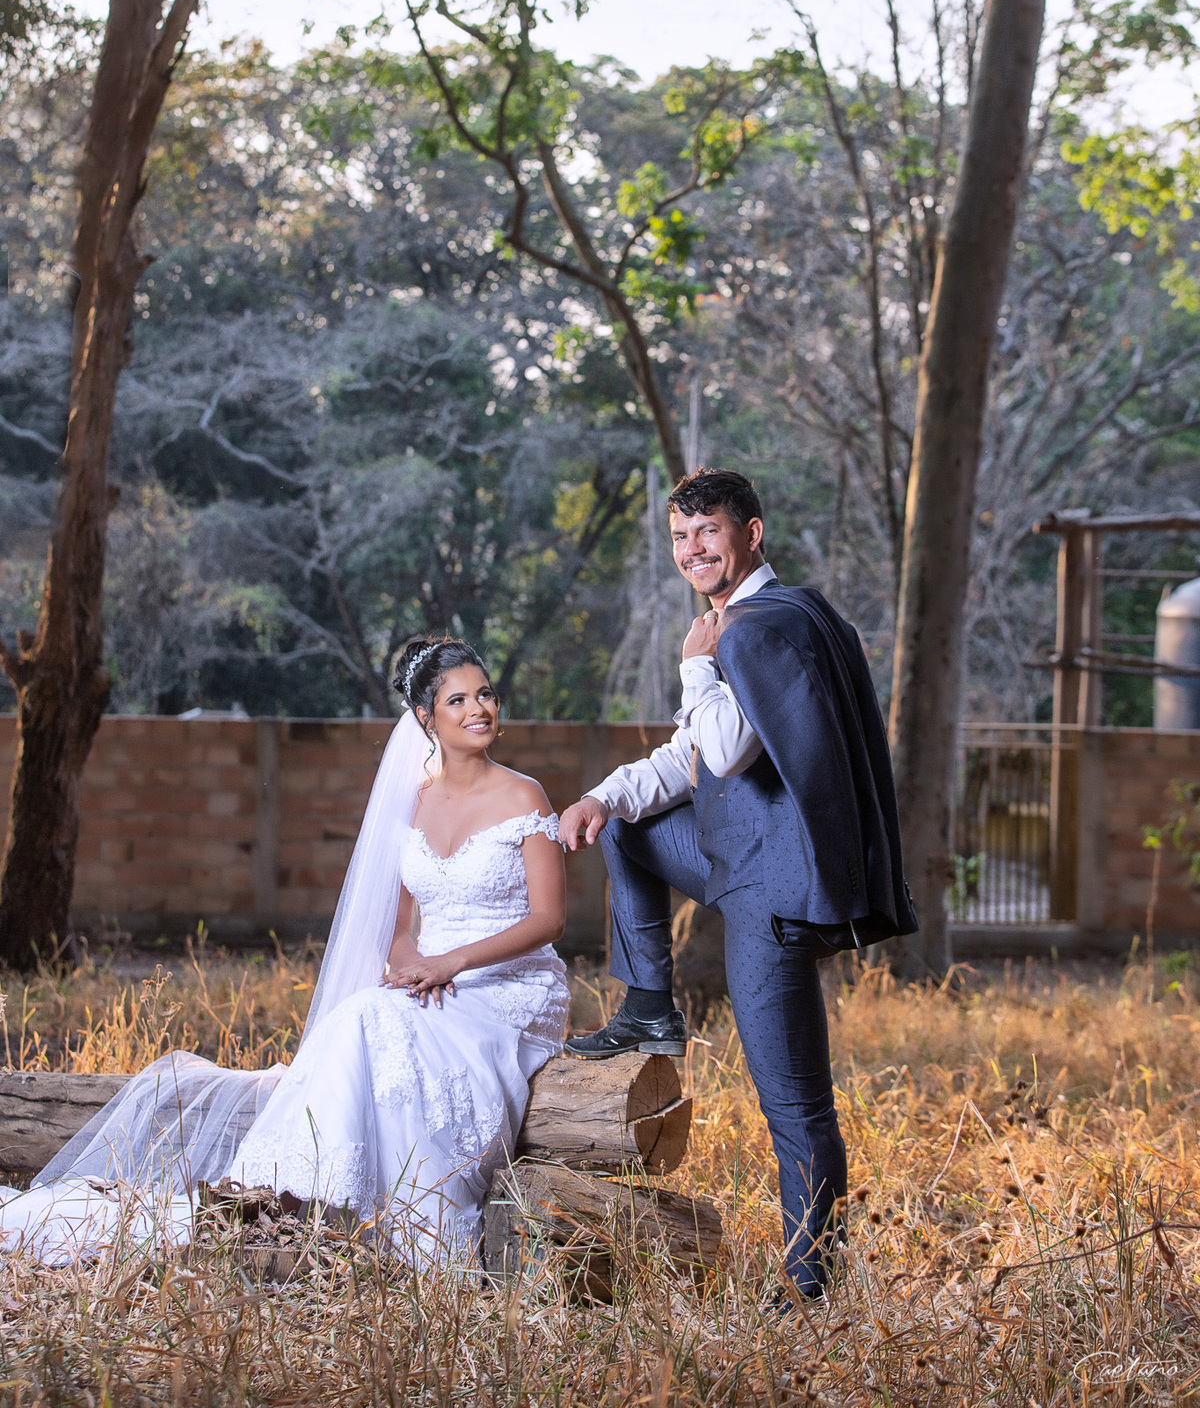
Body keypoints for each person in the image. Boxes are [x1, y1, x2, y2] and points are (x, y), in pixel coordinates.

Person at [0, 638, 569, 1268]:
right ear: (424, 717)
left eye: (484, 694)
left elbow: (549, 919)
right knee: (360, 1019)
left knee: (371, 1023)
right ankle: (283, 1201)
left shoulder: (525, 796)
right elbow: (398, 923)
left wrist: (451, 963)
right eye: (457, 700)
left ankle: (418, 1229)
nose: (478, 709)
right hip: (431, 980)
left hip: (510, 987)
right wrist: (410, 960)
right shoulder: (411, 799)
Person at [558, 468, 916, 1297]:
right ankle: (649, 1008)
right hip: (742, 856)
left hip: (773, 892)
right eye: (680, 537)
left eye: (708, 531)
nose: (693, 549)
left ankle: (809, 1288)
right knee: (629, 824)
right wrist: (602, 796)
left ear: (751, 534)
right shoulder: (790, 614)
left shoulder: (751, 632)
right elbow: (692, 755)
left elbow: (726, 751)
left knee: (796, 1108)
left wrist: (696, 665)